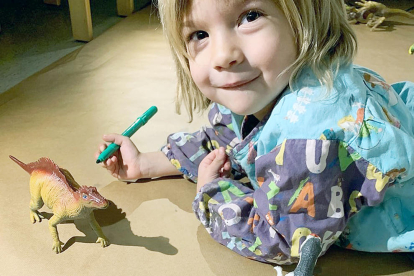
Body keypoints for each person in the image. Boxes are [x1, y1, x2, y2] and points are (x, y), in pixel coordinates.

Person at [96, 0, 414, 265]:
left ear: (306, 18)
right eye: (199, 34)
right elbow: (232, 138)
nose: (223, 55)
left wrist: (211, 192)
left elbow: (277, 239)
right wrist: (146, 164)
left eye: (250, 17)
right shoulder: (270, 83)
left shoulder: (308, 140)